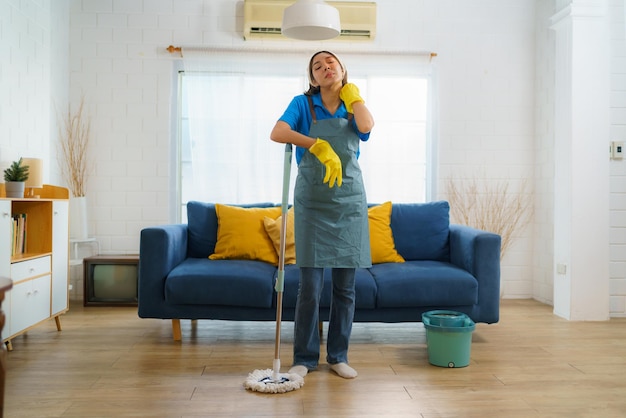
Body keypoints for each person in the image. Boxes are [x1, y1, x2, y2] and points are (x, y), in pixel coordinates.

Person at [269, 51, 374, 379]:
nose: (325, 67)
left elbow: (367, 126)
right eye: (318, 66)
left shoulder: (352, 104)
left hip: (349, 203)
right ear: (312, 79)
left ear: (342, 69)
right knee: (310, 288)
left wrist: (353, 95)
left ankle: (338, 356)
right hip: (313, 205)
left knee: (345, 288)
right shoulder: (302, 105)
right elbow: (278, 132)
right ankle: (304, 358)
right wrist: (315, 144)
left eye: (331, 63)